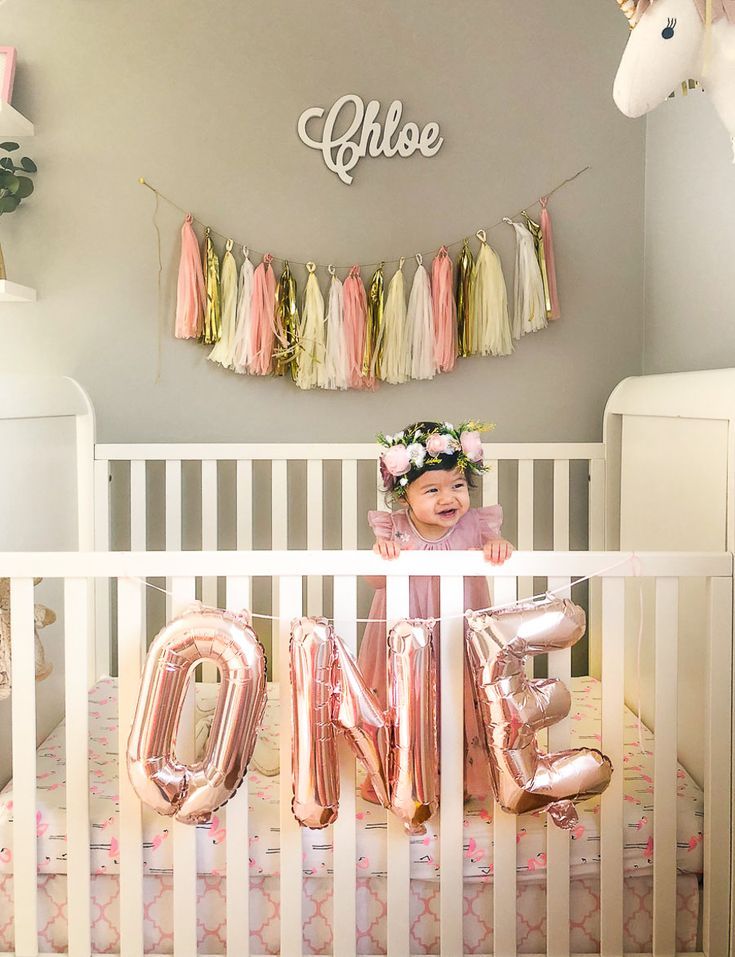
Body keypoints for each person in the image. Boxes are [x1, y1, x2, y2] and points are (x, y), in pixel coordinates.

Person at [358, 420, 514, 802]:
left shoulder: (477, 526)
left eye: (457, 486)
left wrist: (498, 548)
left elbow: (499, 551)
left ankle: (461, 777)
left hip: (459, 636)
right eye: (432, 490)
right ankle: (399, 774)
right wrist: (384, 559)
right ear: (403, 498)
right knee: (405, 701)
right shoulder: (394, 529)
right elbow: (375, 582)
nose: (449, 498)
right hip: (406, 639)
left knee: (461, 701)